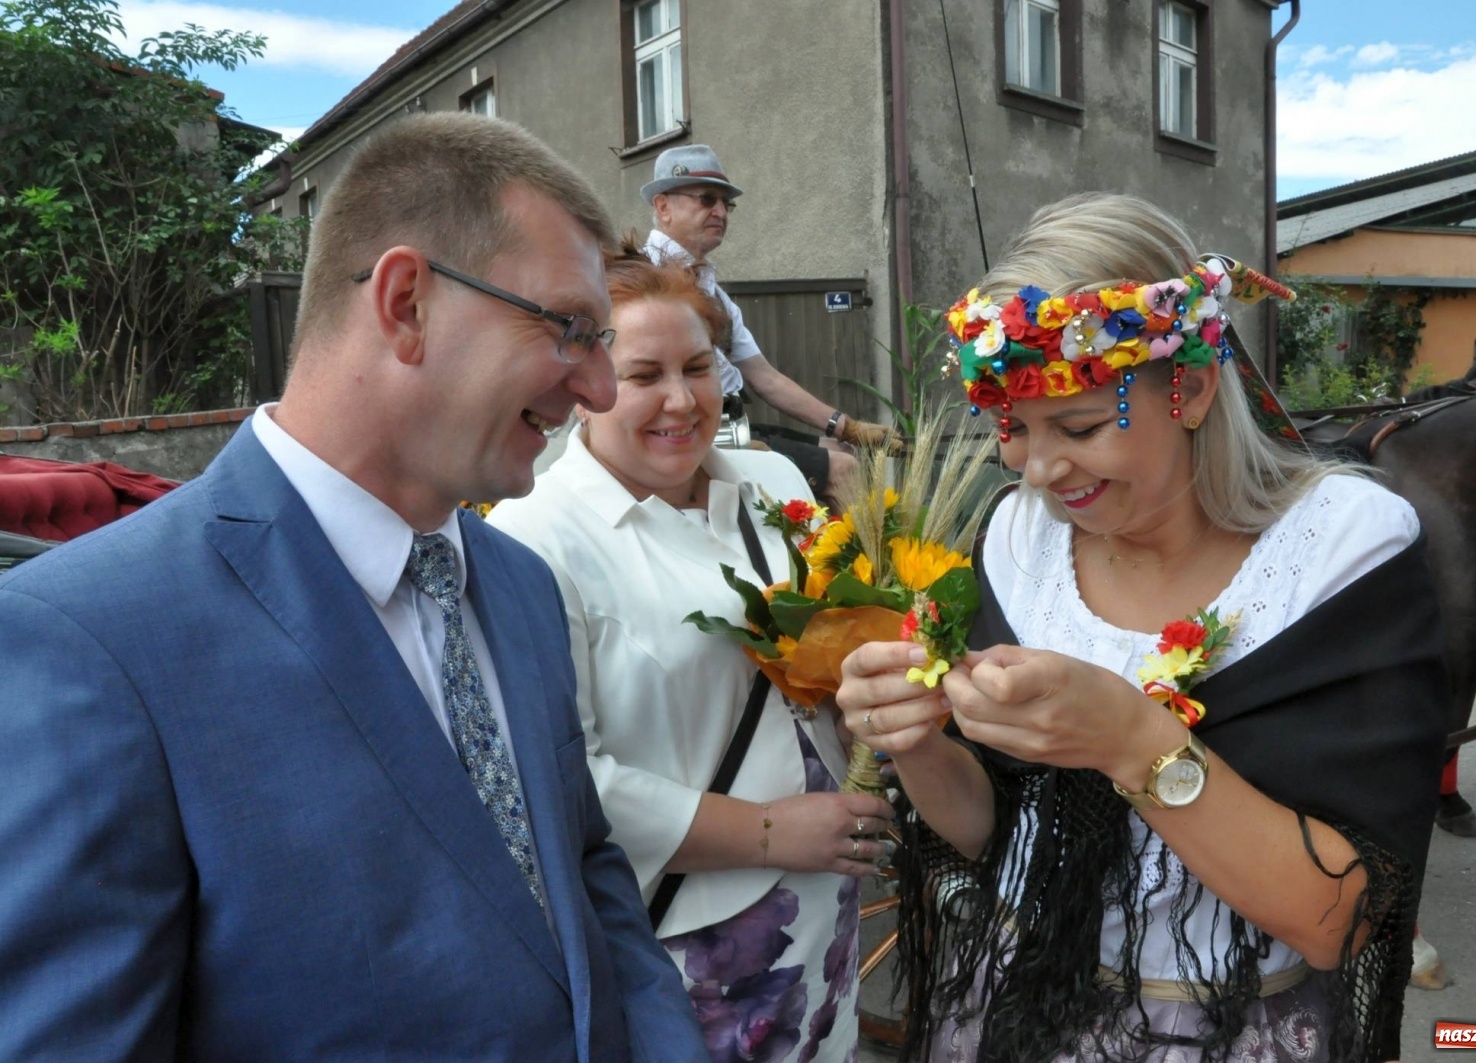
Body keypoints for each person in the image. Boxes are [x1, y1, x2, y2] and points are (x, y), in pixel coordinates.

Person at [0, 113, 707, 1062]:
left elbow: (584, 875)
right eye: (571, 330)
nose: (599, 389)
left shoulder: (520, 585)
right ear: (407, 301)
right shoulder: (91, 642)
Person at [836, 193, 1451, 1063]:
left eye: (1080, 426)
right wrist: (918, 742)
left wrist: (1136, 742)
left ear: (1193, 388)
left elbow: (1338, 922)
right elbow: (993, 838)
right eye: (1013, 427)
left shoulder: (1337, 555)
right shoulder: (1020, 542)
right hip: (1010, 1013)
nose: (1039, 470)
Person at [488, 250, 895, 1063]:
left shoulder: (773, 480)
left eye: (698, 368)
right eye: (644, 375)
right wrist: (773, 831)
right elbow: (561, 776)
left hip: (828, 908)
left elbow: (820, 650)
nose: (681, 400)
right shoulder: (530, 541)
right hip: (693, 941)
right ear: (587, 384)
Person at [640, 143, 897, 502]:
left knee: (838, 449)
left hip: (730, 426)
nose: (720, 212)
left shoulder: (714, 293)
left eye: (726, 203)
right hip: (687, 436)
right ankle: (862, 559)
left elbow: (766, 378)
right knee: (843, 472)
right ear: (663, 206)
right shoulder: (642, 281)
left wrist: (847, 427)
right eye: (707, 198)